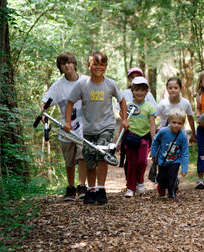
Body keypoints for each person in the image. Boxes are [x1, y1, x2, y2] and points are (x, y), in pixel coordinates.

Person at [63, 51, 129, 204]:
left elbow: (122, 100)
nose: (98, 67)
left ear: (105, 66)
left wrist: (124, 119)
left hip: (106, 126)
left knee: (102, 156)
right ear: (89, 66)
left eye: (102, 64)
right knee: (89, 159)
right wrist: (67, 122)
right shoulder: (82, 84)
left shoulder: (110, 84)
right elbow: (69, 102)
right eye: (95, 64)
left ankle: (101, 189)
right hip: (88, 129)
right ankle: (91, 190)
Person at [41, 52, 87, 201]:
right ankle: (70, 188)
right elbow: (46, 103)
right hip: (66, 126)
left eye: (69, 62)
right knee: (69, 160)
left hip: (85, 126)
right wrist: (43, 113)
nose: (67, 65)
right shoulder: (58, 85)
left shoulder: (86, 81)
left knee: (82, 157)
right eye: (63, 63)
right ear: (60, 67)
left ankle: (82, 186)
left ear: (74, 64)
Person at [116, 67, 157, 168]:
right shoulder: (125, 93)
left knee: (141, 157)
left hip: (143, 128)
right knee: (129, 156)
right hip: (128, 126)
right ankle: (125, 166)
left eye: (138, 76)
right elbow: (121, 111)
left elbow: (153, 113)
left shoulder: (148, 95)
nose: (135, 79)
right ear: (129, 80)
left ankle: (139, 178)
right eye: (132, 77)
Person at [123, 76, 156, 198]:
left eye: (142, 90)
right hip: (131, 137)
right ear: (132, 91)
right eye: (136, 89)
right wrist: (120, 141)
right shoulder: (127, 105)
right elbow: (124, 123)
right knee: (131, 163)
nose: (139, 92)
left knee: (142, 161)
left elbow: (152, 126)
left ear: (146, 92)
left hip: (144, 137)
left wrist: (154, 143)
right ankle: (130, 187)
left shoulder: (149, 107)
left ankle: (140, 181)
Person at [151, 108, 189, 201]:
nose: (176, 125)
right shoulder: (163, 131)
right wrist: (153, 153)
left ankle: (172, 193)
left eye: (179, 123)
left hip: (175, 160)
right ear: (169, 121)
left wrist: (184, 168)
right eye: (174, 122)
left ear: (183, 124)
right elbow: (155, 141)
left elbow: (185, 152)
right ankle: (161, 186)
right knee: (162, 178)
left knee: (172, 177)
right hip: (162, 159)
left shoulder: (183, 136)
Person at [156, 77, 196, 143]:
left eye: (176, 88)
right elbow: (153, 117)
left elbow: (190, 117)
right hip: (164, 133)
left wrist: (193, 134)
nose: (173, 90)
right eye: (170, 88)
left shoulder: (185, 103)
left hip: (179, 133)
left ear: (180, 88)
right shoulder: (163, 103)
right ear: (167, 89)